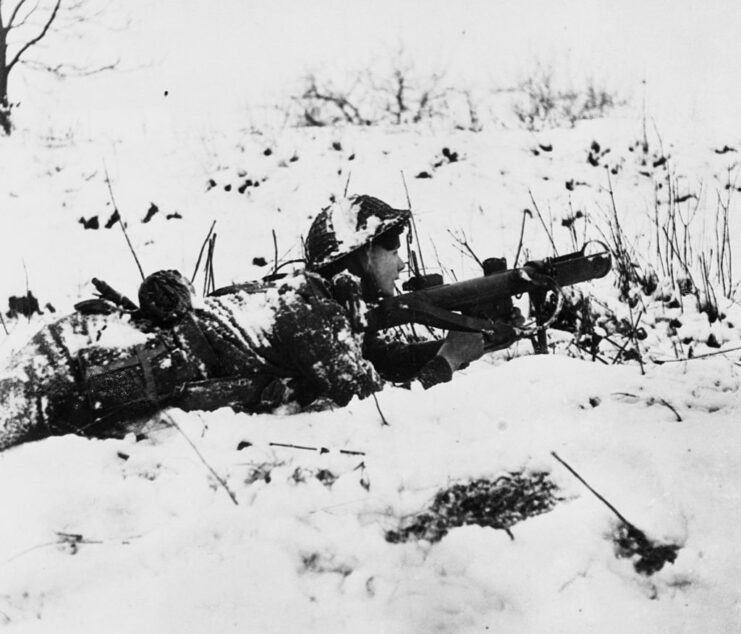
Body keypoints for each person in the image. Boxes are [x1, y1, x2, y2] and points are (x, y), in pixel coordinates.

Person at [0, 195, 488, 452]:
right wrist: (446, 361)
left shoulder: (317, 301)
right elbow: (377, 407)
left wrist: (457, 345)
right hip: (74, 358)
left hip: (92, 344)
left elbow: (374, 363)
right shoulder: (312, 311)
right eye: (392, 246)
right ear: (358, 254)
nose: (402, 262)